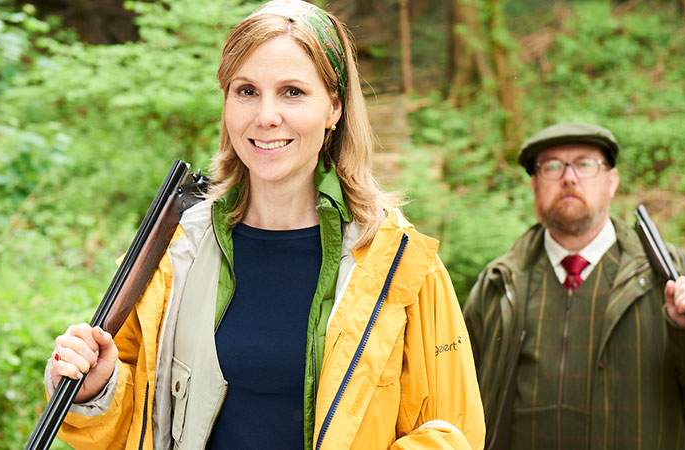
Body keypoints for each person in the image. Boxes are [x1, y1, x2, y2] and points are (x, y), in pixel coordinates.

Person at [44, 0, 485, 449]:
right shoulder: (171, 254)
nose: (265, 116)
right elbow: (132, 429)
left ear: (333, 107)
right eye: (246, 91)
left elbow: (452, 432)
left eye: (292, 91)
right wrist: (95, 389)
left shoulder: (400, 264)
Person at [463, 122, 685, 450]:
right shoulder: (497, 284)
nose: (569, 177)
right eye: (551, 166)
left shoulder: (672, 275)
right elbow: (460, 398)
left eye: (585, 164)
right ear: (534, 186)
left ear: (612, 182)